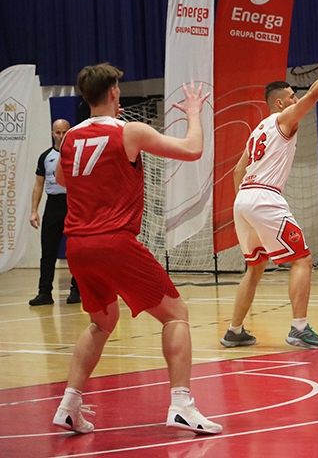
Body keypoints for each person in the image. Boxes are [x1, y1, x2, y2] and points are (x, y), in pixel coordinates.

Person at [53, 65, 221, 434]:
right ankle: (181, 404)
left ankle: (69, 404)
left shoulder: (70, 139)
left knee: (101, 322)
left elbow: (63, 178)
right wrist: (193, 113)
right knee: (176, 314)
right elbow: (192, 149)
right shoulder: (129, 131)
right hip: (113, 240)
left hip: (78, 245)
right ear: (114, 92)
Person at [221, 41, 318, 349]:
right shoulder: (284, 120)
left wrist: (244, 208)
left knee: (254, 268)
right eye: (292, 97)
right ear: (280, 104)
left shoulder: (257, 130)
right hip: (264, 197)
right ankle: (299, 327)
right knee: (303, 260)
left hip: (243, 199)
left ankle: (234, 330)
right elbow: (314, 94)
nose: (298, 100)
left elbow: (235, 173)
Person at [28, 119, 80, 306]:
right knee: (48, 251)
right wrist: (34, 211)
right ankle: (44, 292)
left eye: (64, 132)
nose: (61, 136)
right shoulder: (45, 157)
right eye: (57, 132)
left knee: (76, 251)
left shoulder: (77, 155)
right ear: (52, 133)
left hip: (73, 205)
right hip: (52, 206)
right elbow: (38, 184)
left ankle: (77, 291)